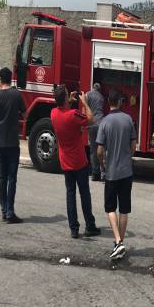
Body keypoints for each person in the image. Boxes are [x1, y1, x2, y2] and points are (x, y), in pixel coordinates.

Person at [51, 85, 101, 239]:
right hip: (79, 161)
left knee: (70, 194)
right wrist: (84, 102)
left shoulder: (53, 113)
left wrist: (69, 101)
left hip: (65, 161)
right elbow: (91, 118)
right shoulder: (73, 114)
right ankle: (90, 225)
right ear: (65, 98)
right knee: (84, 194)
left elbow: (62, 111)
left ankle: (74, 229)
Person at [96, 89, 137, 259]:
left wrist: (102, 164)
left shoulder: (104, 122)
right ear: (120, 102)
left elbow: (99, 151)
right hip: (127, 171)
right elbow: (134, 144)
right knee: (124, 209)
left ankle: (118, 242)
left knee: (110, 208)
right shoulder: (128, 119)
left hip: (112, 172)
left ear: (108, 103)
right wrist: (128, 156)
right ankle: (119, 243)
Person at [0, 67, 27, 224]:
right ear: (11, 78)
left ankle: (4, 210)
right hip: (12, 143)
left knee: (2, 177)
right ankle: (10, 211)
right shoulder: (16, 95)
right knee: (12, 178)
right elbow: (26, 114)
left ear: (0, 79)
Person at [85, 82, 105, 181]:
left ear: (92, 87)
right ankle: (103, 172)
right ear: (99, 89)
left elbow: (85, 110)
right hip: (101, 123)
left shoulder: (87, 95)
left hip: (91, 124)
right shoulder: (102, 97)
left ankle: (95, 173)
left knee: (93, 149)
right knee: (101, 148)